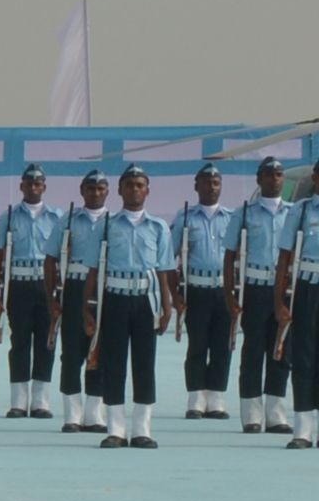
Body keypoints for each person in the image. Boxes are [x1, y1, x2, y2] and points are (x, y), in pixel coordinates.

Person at [91, 161, 173, 450]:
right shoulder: (106, 226)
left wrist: (167, 306)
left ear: (147, 190)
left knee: (144, 363)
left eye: (139, 185)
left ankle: (142, 430)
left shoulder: (159, 227)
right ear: (119, 190)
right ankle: (115, 429)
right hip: (115, 298)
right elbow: (93, 269)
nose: (134, 190)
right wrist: (87, 307)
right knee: (113, 363)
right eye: (129, 185)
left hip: (146, 300)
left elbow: (164, 271)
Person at [0, 162, 63, 419]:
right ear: (21, 186)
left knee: (46, 341)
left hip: (45, 286)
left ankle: (41, 401)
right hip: (19, 285)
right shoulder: (9, 217)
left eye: (38, 184)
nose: (33, 188)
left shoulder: (56, 217)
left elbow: (60, 257)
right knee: (20, 340)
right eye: (29, 183)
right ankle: (19, 402)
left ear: (44, 187)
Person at [232, 154, 293, 434]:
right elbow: (229, 256)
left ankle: (276, 413)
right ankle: (251, 414)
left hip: (284, 289)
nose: (274, 178)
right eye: (269, 174)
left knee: (280, 351)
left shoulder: (293, 213)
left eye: (279, 174)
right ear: (259, 179)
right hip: (255, 287)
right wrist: (228, 293)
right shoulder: (244, 213)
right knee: (254, 350)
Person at [174, 165, 234, 421]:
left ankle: (216, 399)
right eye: (207, 182)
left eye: (216, 182)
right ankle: (196, 398)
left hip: (224, 289)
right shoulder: (185, 217)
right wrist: (174, 293)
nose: (212, 187)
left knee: (223, 345)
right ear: (196, 185)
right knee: (197, 344)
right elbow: (170, 256)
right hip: (196, 290)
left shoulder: (232, 218)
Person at [55, 163, 111, 435]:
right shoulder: (67, 220)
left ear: (108, 191)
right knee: (72, 352)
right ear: (82, 191)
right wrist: (53, 295)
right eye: (91, 188)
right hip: (74, 287)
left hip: (104, 289)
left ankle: (94, 412)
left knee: (99, 350)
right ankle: (72, 414)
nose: (96, 193)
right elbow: (50, 259)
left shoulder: (114, 221)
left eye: (101, 188)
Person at [282, 169, 319, 453]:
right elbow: (285, 255)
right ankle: (303, 430)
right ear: (315, 177)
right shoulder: (302, 210)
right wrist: (279, 299)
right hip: (307, 288)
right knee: (303, 357)